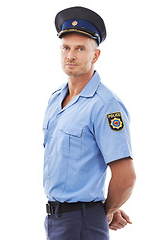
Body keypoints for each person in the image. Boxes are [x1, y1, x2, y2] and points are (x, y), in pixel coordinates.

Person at [43, 6, 136, 240]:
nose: (70, 55)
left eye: (80, 49)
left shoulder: (106, 106)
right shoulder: (56, 100)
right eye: (66, 48)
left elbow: (125, 177)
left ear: (95, 56)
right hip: (56, 219)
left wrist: (104, 211)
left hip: (81, 222)